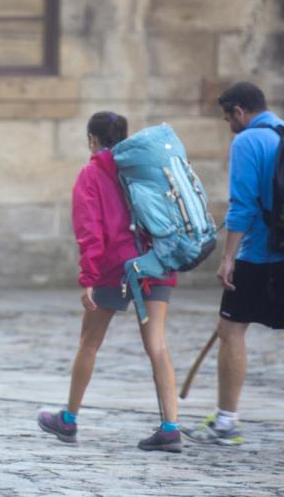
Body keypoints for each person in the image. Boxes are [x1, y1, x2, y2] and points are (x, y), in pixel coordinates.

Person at [184, 81, 284, 456]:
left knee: (230, 330)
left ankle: (225, 423)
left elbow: (243, 206)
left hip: (262, 254)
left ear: (239, 111)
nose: (228, 125)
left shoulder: (247, 142)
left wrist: (228, 258)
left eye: (227, 118)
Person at [38, 112, 182, 453]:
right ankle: (170, 427)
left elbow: (90, 231)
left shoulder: (92, 174)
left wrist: (88, 277)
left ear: (92, 140)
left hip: (115, 268)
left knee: (89, 342)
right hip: (156, 261)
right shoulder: (145, 166)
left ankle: (69, 419)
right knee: (157, 345)